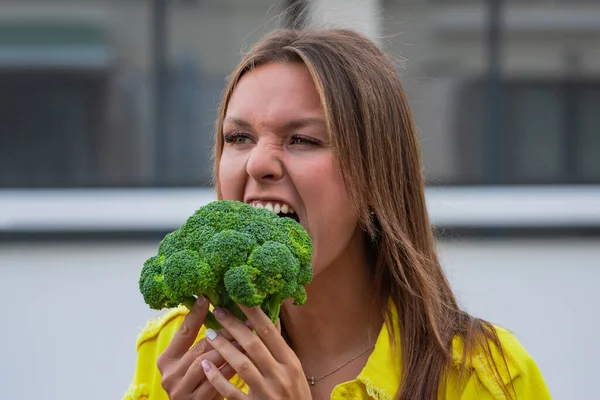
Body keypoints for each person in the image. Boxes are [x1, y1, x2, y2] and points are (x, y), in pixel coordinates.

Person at [123, 28, 551, 400]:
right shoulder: (174, 354)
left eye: (302, 140)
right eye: (238, 137)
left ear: (374, 174)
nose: (257, 163)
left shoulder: (487, 378)